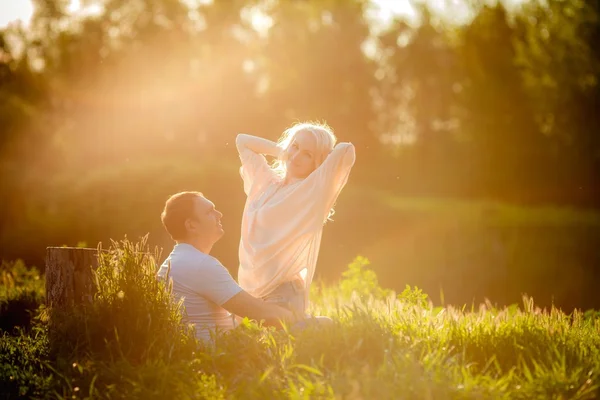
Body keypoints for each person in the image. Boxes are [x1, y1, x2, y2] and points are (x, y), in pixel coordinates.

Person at [236, 121, 356, 317]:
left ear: (318, 162)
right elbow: (242, 141)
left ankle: (322, 326)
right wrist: (282, 151)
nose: (297, 156)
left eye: (308, 155)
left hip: (282, 294)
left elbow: (346, 151)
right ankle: (316, 326)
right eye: (295, 146)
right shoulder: (266, 182)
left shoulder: (312, 192)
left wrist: (323, 160)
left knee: (278, 346)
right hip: (250, 291)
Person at [156, 191, 299, 343]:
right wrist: (301, 317)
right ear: (191, 225)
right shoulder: (200, 265)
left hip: (206, 353)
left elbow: (240, 314)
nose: (219, 214)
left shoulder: (173, 262)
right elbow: (261, 314)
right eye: (210, 212)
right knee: (323, 324)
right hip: (221, 357)